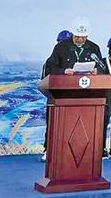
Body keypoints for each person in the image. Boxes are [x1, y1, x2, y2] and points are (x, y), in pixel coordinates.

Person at [40, 29, 72, 162]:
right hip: (54, 99)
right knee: (52, 126)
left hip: (73, 100)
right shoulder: (50, 62)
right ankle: (48, 150)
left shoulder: (74, 62)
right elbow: (44, 81)